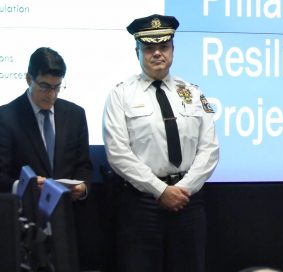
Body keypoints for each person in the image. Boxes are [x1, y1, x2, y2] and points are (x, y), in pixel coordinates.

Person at [102, 14, 219, 272]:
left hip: (188, 203)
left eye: (163, 47)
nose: (157, 53)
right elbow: (118, 153)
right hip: (142, 205)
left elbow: (210, 149)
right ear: (138, 51)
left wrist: (182, 189)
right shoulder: (121, 94)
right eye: (149, 48)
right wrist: (160, 191)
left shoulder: (193, 92)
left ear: (173, 50)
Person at [0, 47, 91, 200]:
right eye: (45, 87)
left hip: (67, 212)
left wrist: (83, 187)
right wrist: (22, 186)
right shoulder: (6, 117)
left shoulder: (76, 114)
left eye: (57, 87)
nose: (51, 95)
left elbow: (84, 165)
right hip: (24, 212)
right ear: (29, 79)